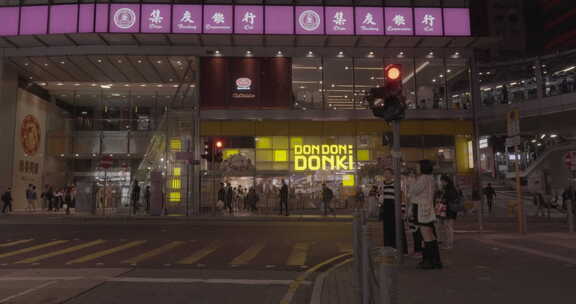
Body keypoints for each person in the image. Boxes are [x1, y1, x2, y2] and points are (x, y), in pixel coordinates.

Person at [409, 160, 442, 269]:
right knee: (430, 234)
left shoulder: (422, 178)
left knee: (426, 235)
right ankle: (435, 260)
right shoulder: (431, 178)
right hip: (428, 207)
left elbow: (414, 191)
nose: (416, 168)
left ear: (423, 167)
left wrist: (413, 180)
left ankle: (428, 261)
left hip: (421, 208)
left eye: (418, 166)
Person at [380, 168, 407, 253]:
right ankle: (389, 247)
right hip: (386, 208)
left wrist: (402, 209)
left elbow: (402, 197)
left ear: (392, 175)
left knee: (398, 227)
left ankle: (401, 249)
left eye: (388, 173)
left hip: (395, 207)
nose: (386, 175)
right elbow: (379, 196)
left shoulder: (397, 184)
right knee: (387, 228)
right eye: (385, 173)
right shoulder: (381, 184)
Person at [440, 175, 461, 250]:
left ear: (445, 181)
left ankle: (449, 244)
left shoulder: (448, 189)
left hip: (448, 210)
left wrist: (443, 199)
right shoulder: (452, 188)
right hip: (452, 210)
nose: (441, 183)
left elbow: (446, 199)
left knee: (448, 227)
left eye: (442, 181)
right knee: (449, 227)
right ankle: (449, 243)